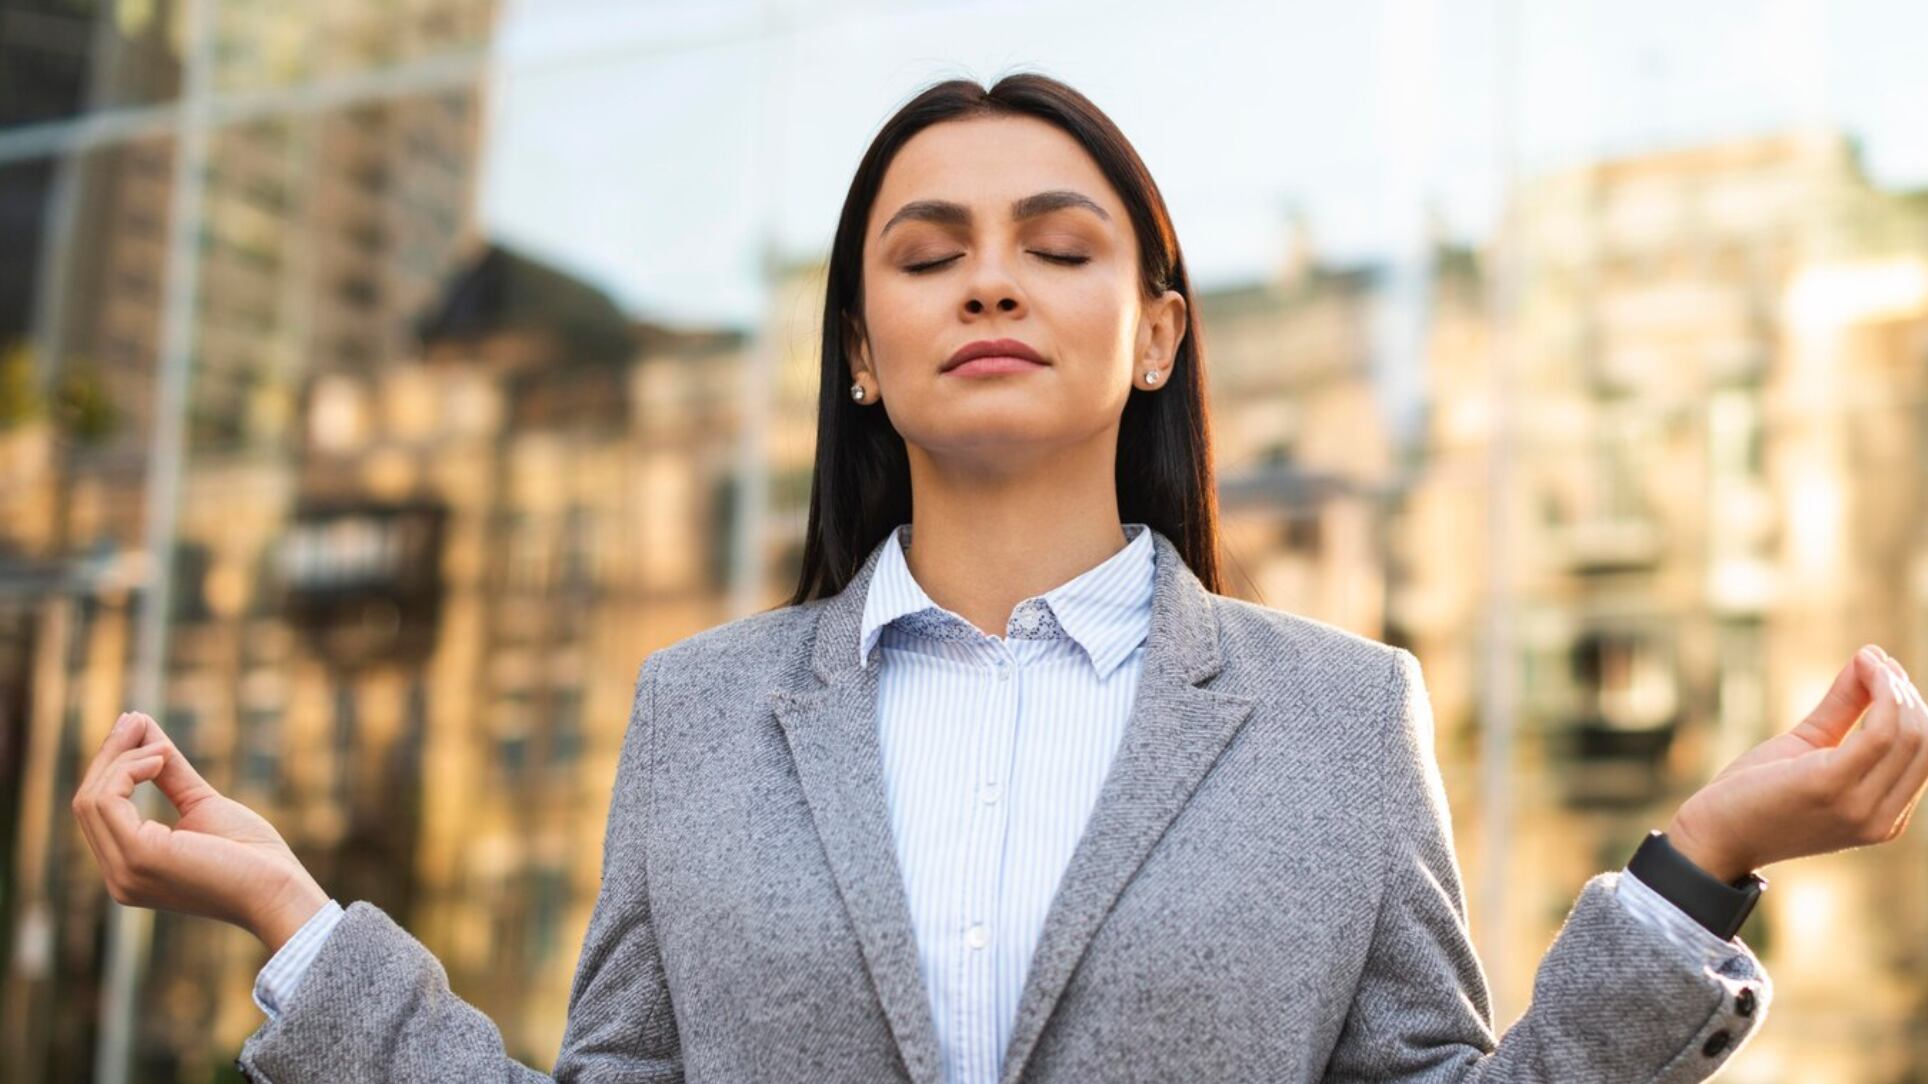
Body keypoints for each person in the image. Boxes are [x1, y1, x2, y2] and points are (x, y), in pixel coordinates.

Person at [72, 72, 1928, 1083]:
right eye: (926, 249)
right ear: (863, 355)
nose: (990, 280)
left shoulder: (1342, 714)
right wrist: (299, 930)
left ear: (1152, 334)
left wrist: (1702, 867)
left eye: (1058, 244)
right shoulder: (701, 709)